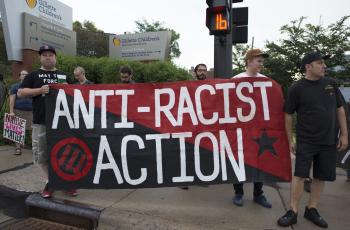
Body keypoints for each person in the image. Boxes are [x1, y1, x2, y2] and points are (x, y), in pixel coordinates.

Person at [277, 51, 348, 228]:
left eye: (324, 63)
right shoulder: (296, 88)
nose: (324, 66)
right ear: (308, 67)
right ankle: (293, 211)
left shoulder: (330, 84)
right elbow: (288, 114)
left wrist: (345, 134)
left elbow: (340, 109)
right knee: (300, 175)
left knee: (320, 176)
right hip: (306, 140)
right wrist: (289, 140)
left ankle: (312, 208)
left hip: (329, 140)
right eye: (320, 63)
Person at [18, 45, 78, 198]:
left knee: (65, 153)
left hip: (62, 122)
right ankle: (50, 181)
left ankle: (66, 182)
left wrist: (68, 91)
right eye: (44, 55)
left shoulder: (64, 75)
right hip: (41, 121)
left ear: (55, 57)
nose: (48, 57)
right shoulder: (33, 75)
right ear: (40, 58)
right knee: (42, 155)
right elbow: (21, 92)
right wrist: (39, 90)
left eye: (50, 55)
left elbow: (77, 95)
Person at [230, 49, 272, 209]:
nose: (261, 64)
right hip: (240, 129)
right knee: (238, 159)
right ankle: (238, 192)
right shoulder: (236, 80)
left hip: (260, 130)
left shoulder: (266, 81)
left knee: (259, 160)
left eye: (262, 61)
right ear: (248, 61)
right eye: (258, 60)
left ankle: (258, 194)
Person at [9, 70, 32, 155]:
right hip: (18, 111)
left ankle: (35, 148)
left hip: (31, 111)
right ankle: (18, 148)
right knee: (17, 130)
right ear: (20, 76)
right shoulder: (15, 86)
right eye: (23, 74)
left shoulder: (33, 87)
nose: (25, 76)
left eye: (26, 74)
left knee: (32, 130)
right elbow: (12, 100)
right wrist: (11, 112)